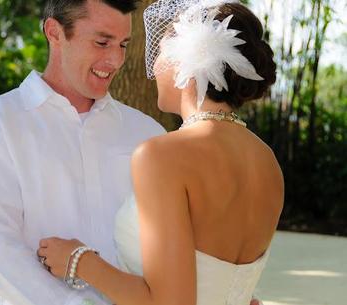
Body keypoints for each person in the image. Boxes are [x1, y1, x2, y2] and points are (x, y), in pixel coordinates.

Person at [37, 1, 284, 305]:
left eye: (162, 51)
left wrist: (81, 262)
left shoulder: (162, 155)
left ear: (189, 62)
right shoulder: (267, 161)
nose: (153, 66)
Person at [0, 1, 166, 305]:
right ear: (54, 32)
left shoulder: (148, 133)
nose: (115, 59)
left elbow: (176, 245)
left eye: (123, 44)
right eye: (102, 42)